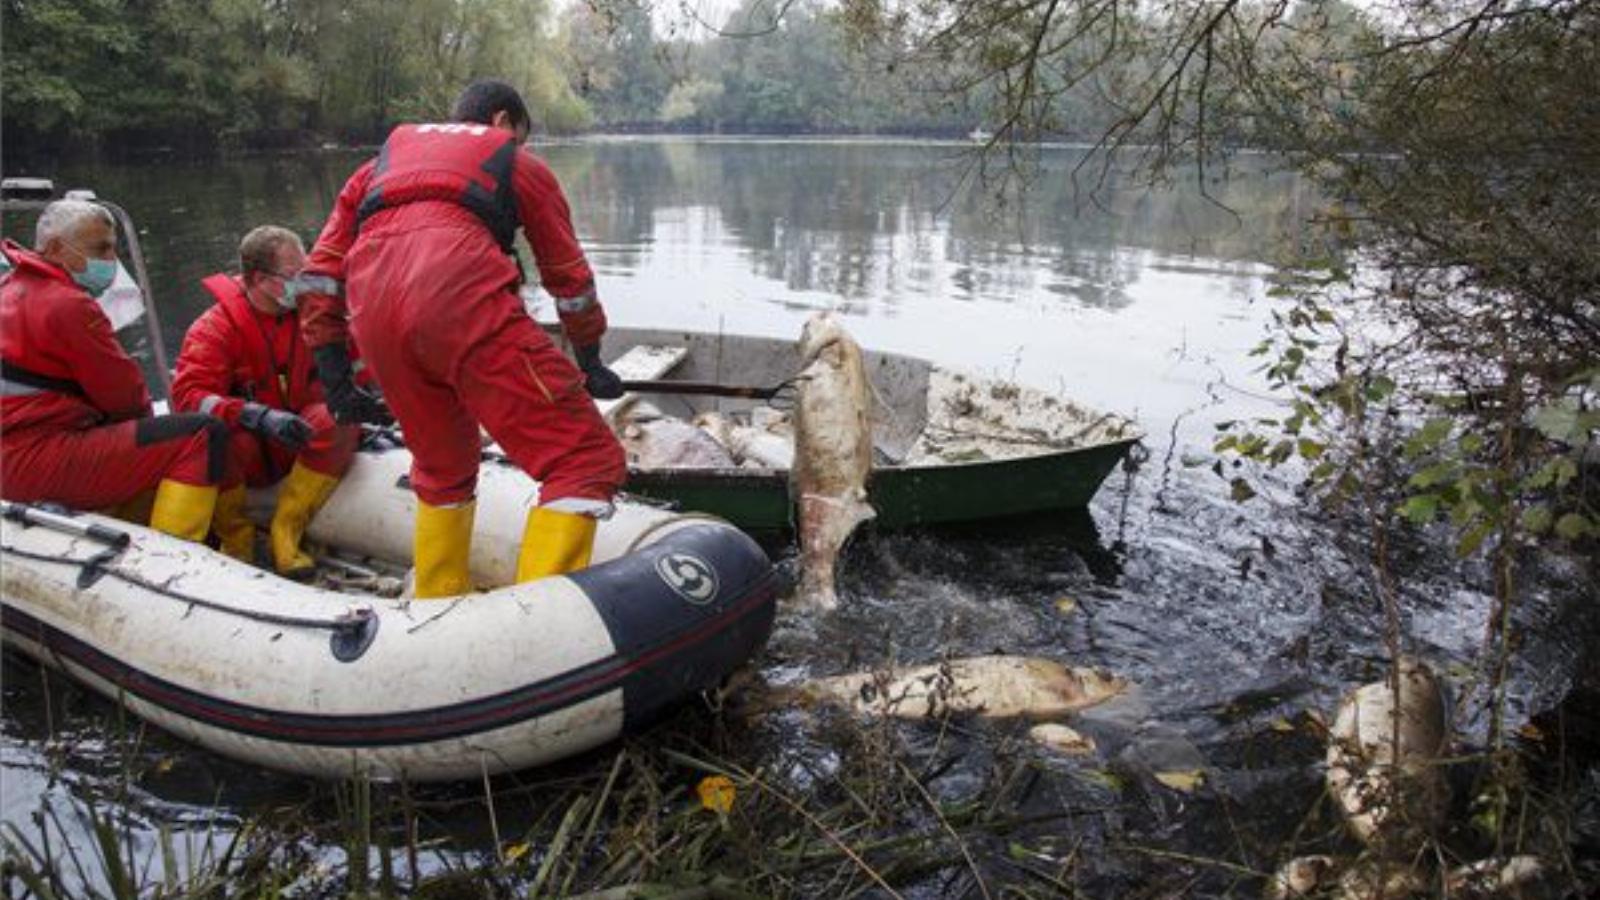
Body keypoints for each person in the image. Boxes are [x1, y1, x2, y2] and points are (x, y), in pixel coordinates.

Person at [298, 79, 626, 598]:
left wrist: (336, 378)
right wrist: (589, 358)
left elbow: (319, 276)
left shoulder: (373, 172)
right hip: (460, 304)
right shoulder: (518, 166)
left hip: (375, 319)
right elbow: (570, 281)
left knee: (443, 465)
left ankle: (436, 598)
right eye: (520, 135)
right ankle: (535, 626)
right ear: (502, 123)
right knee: (583, 458)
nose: (520, 146)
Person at [1, 199, 226, 538]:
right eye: (101, 249)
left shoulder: (10, 288)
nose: (110, 261)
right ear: (57, 247)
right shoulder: (68, 304)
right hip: (27, 459)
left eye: (113, 250)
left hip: (17, 447)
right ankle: (169, 557)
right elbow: (125, 397)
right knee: (202, 434)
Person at [171, 226, 361, 576]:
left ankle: (286, 529)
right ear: (259, 278)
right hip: (252, 448)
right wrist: (254, 415)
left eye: (306, 273)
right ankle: (238, 543)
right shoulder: (214, 328)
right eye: (293, 276)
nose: (302, 283)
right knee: (214, 436)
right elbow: (188, 397)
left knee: (339, 416)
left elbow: (356, 361)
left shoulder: (314, 315)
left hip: (302, 437)